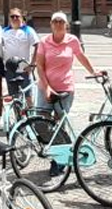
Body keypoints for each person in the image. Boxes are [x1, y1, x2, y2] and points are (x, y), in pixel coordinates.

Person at [34, 11, 100, 176]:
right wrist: (47, 87)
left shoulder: (72, 41)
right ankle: (59, 154)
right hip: (45, 88)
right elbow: (39, 66)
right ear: (51, 24)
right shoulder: (44, 42)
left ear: (66, 25)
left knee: (59, 125)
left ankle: (58, 160)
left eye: (61, 22)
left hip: (65, 88)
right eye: (55, 21)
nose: (58, 24)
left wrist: (93, 71)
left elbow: (81, 57)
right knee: (41, 122)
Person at [2, 8, 39, 108]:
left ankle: (31, 119)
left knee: (28, 96)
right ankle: (18, 120)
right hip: (9, 70)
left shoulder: (28, 30)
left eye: (17, 16)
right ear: (9, 18)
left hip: (24, 70)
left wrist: (32, 64)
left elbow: (38, 46)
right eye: (12, 16)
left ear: (22, 18)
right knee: (14, 97)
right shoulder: (4, 31)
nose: (14, 18)